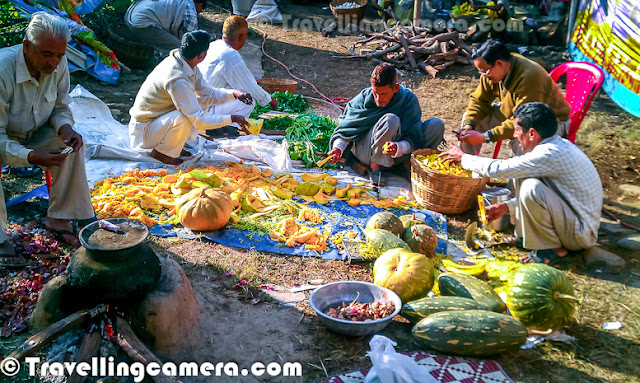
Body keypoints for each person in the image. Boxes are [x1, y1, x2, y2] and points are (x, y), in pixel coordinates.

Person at [443, 102, 602, 264]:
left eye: (517, 130)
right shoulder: (555, 146)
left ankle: (553, 249)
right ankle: (526, 236)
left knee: (529, 187)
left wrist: (463, 158)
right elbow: (553, 197)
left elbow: (500, 169)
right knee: (522, 176)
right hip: (570, 220)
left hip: (580, 234)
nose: (515, 135)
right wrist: (506, 207)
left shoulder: (548, 154)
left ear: (532, 133)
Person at [0, 12, 95, 267]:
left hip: (35, 130)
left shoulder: (58, 63)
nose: (54, 63)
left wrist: (66, 129)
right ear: (27, 46)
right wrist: (30, 156)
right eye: (47, 55)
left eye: (59, 55)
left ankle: (60, 216)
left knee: (72, 146)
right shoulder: (2, 70)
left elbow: (61, 106)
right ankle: (0, 241)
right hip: (3, 137)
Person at [128, 30, 253, 166]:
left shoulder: (185, 63)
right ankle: (163, 154)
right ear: (202, 55)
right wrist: (232, 118)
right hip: (144, 132)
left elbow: (208, 94)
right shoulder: (177, 78)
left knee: (198, 102)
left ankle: (170, 147)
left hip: (156, 123)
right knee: (184, 117)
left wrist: (234, 94)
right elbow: (198, 121)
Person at [326, 64, 445, 187]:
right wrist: (338, 148)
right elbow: (346, 130)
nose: (378, 99)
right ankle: (375, 168)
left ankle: (412, 167)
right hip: (367, 152)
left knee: (436, 125)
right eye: (375, 93)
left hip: (396, 152)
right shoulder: (362, 100)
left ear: (396, 88)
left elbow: (414, 135)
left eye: (383, 94)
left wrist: (399, 147)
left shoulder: (408, 100)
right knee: (390, 120)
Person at [458, 39, 571, 155]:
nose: (484, 77)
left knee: (523, 139)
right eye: (480, 73)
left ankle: (519, 172)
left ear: (499, 63)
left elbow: (525, 121)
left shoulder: (529, 78)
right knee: (473, 120)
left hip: (545, 122)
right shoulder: (493, 70)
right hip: (515, 115)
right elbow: (479, 100)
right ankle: (463, 162)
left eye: (485, 72)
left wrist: (485, 137)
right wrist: (469, 125)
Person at [197, 15, 277, 131]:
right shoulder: (230, 55)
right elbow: (249, 86)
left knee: (237, 92)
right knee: (248, 101)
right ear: (241, 37)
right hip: (206, 109)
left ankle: (222, 124)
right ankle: (229, 129)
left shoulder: (213, 45)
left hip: (197, 104)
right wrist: (269, 100)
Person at [125, 0, 207, 56]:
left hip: (130, 15)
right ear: (200, 4)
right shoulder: (191, 13)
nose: (199, 13)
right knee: (179, 48)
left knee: (171, 40)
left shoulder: (181, 2)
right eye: (201, 10)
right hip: (141, 23)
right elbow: (191, 40)